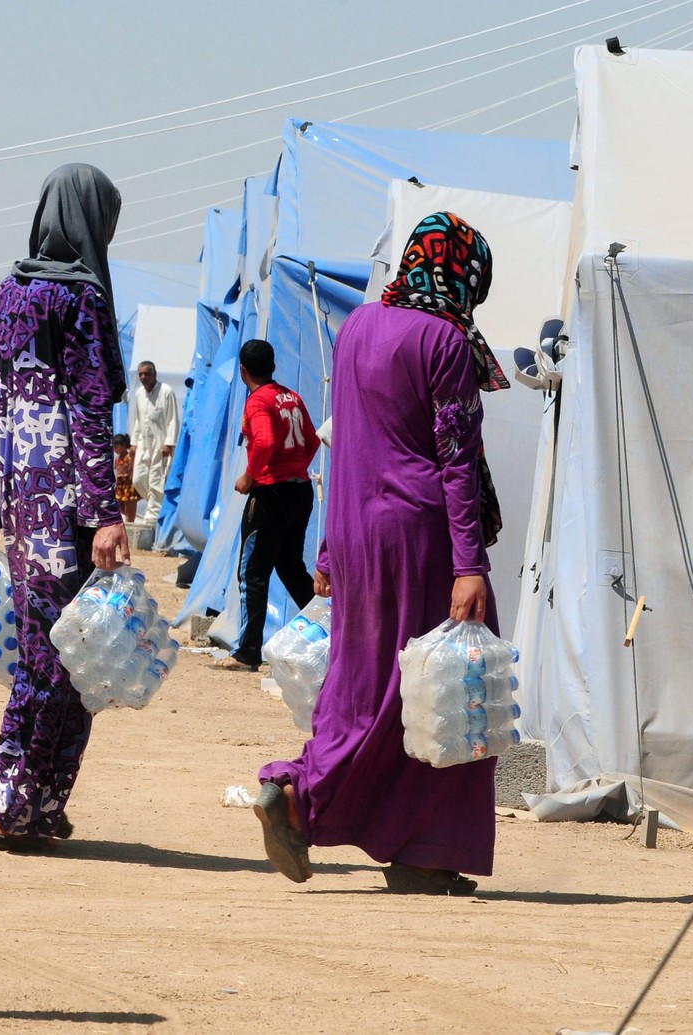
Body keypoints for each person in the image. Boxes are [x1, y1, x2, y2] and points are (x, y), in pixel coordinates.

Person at [255, 211, 505, 897]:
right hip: (423, 535)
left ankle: (311, 796)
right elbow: (456, 462)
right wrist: (469, 563)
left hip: (359, 529)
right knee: (449, 692)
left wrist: (330, 546)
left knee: (363, 685)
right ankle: (408, 844)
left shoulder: (359, 326)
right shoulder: (446, 341)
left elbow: (346, 445)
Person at [0, 163, 129, 850]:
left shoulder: (8, 292)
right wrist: (106, 510)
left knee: (55, 651)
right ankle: (0, 802)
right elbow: (90, 409)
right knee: (63, 656)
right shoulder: (82, 298)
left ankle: (39, 804)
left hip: (25, 504)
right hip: (69, 504)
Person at [217, 339, 320, 672]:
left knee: (253, 572)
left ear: (243, 370)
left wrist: (250, 476)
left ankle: (247, 651)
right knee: (291, 567)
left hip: (271, 495)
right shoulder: (291, 396)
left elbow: (266, 441)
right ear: (273, 366)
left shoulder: (258, 401)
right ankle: (329, 631)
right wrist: (296, 467)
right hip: (300, 491)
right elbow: (313, 438)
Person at [129, 360, 179, 525]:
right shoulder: (138, 394)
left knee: (156, 480)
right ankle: (155, 503)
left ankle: (152, 517)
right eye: (141, 374)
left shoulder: (166, 391)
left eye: (147, 374)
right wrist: (134, 443)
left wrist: (169, 443)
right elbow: (138, 419)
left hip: (161, 443)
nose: (143, 377)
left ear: (154, 374)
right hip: (143, 443)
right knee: (138, 479)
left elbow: (173, 419)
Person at [113, 433, 139, 523]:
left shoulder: (129, 457)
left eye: (116, 447)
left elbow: (132, 469)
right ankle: (127, 520)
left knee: (130, 506)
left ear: (124, 446)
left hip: (128, 483)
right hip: (120, 485)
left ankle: (130, 521)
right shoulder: (117, 458)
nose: (115, 450)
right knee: (120, 507)